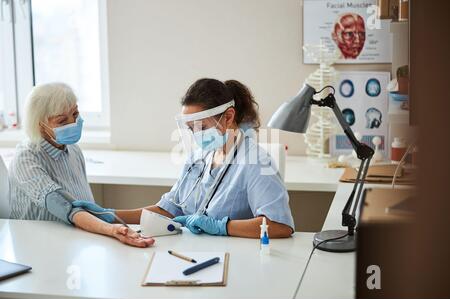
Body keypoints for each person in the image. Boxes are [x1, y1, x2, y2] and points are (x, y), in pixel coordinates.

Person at [79, 78, 295, 238]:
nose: (197, 134)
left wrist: (222, 226)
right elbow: (168, 210)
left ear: (228, 117)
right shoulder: (198, 158)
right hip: (191, 254)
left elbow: (279, 226)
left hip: (234, 261)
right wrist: (109, 215)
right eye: (191, 128)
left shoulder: (256, 162)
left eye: (202, 126)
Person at [8, 83, 154, 248]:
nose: (73, 123)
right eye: (62, 121)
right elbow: (66, 208)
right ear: (40, 126)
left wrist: (144, 218)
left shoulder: (73, 150)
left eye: (75, 114)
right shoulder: (26, 158)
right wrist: (112, 229)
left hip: (74, 238)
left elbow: (87, 207)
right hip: (40, 244)